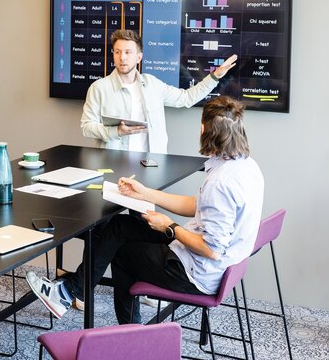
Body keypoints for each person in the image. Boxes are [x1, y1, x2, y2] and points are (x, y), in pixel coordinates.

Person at [27, 96, 264, 324]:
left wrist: (169, 227)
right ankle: (72, 291)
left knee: (120, 253)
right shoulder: (245, 166)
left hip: (195, 273)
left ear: (204, 130)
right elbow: (195, 205)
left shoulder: (220, 183)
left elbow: (210, 249)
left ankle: (126, 330)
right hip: (207, 260)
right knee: (120, 227)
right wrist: (144, 193)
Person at [80, 29, 238, 154]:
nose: (122, 58)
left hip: (151, 164)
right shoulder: (99, 88)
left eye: (128, 52)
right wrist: (116, 131)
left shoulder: (152, 84)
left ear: (139, 57)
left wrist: (214, 76)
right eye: (117, 52)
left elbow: (186, 98)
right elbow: (86, 127)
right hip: (112, 163)